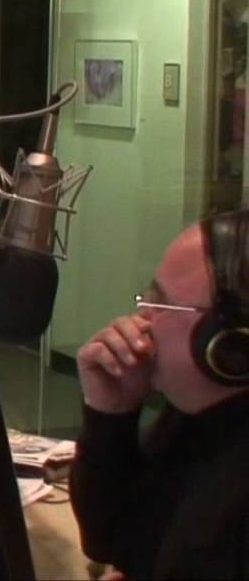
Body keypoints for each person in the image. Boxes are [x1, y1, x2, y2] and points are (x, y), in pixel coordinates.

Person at [70, 210, 249, 579]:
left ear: (230, 345)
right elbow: (109, 541)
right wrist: (111, 415)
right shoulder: (195, 415)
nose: (141, 319)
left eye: (161, 304)